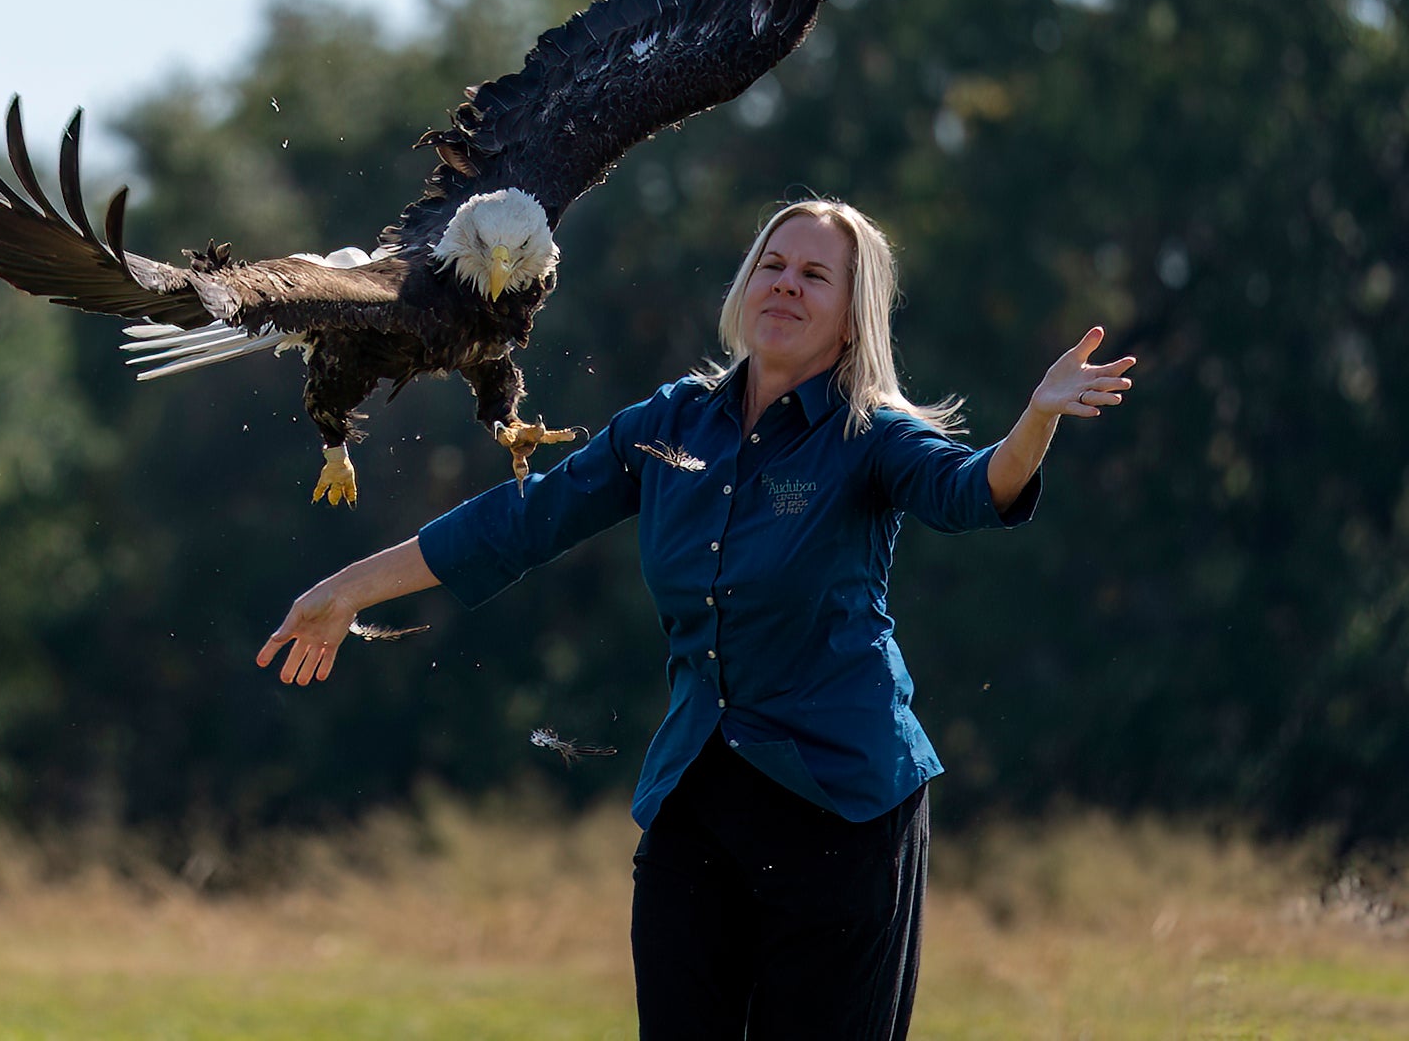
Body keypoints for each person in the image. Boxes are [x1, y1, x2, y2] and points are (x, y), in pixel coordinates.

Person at [257, 198, 1136, 1039]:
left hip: (844, 807)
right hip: (697, 801)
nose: (786, 284)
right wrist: (347, 590)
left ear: (853, 317)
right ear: (745, 286)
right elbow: (522, 521)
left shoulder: (872, 436)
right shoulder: (671, 422)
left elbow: (975, 489)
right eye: (774, 264)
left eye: (815, 276)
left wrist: (1037, 422)